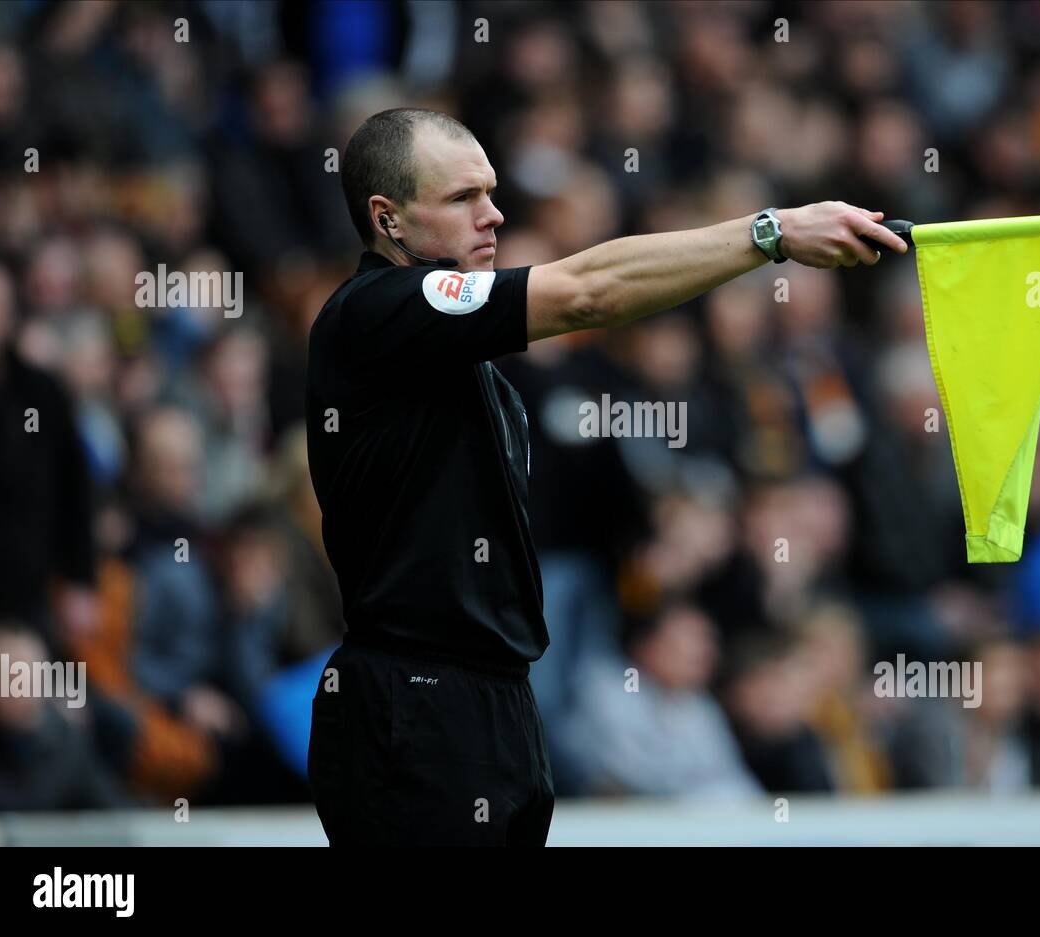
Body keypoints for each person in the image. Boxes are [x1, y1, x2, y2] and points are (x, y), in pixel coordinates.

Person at [304, 107, 907, 846]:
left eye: (491, 191)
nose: (493, 214)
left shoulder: (463, 364)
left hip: (491, 701)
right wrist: (770, 233)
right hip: (416, 703)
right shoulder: (374, 311)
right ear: (387, 218)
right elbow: (590, 290)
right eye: (463, 198)